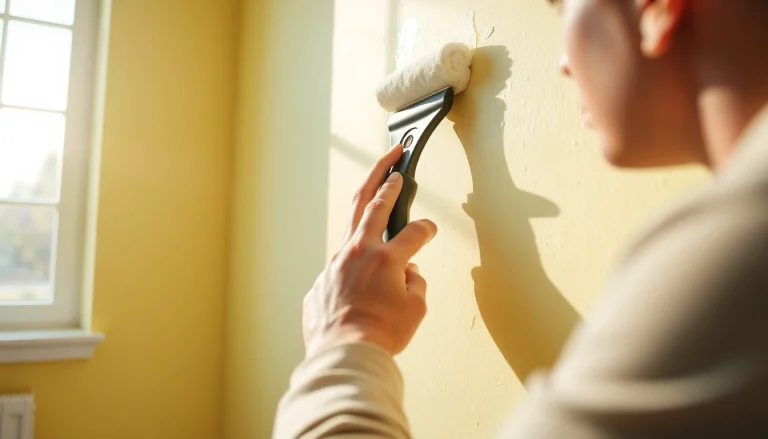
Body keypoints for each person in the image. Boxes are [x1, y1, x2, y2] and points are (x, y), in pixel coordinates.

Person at [274, 0, 768, 437]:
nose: (563, 64)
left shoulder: (739, 245)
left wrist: (347, 337)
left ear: (656, 6)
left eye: (561, 6)